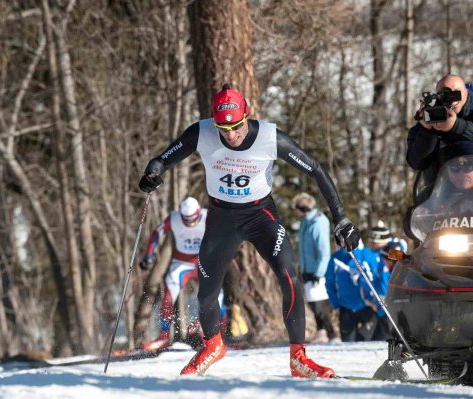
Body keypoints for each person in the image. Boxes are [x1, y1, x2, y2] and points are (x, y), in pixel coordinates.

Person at [138, 83, 360, 377]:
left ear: (246, 116)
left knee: (288, 275)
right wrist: (153, 173)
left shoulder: (269, 137)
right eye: (223, 129)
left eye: (236, 127)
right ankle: (213, 346)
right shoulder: (202, 132)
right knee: (207, 293)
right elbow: (162, 159)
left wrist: (341, 218)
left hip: (260, 215)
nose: (230, 135)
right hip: (221, 217)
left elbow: (315, 169)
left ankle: (298, 358)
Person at [139, 196, 225, 351]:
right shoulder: (174, 218)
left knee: (217, 295)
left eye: (193, 219)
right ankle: (163, 336)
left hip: (204, 263)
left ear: (198, 212)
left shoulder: (208, 216)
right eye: (186, 220)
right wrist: (148, 254)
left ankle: (221, 335)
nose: (190, 223)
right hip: (181, 264)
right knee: (168, 293)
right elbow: (156, 233)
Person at [407, 74, 473, 203]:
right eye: (445, 95)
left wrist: (456, 126)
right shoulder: (432, 114)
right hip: (442, 191)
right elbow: (417, 162)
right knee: (418, 208)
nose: (452, 101)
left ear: (466, 93)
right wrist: (427, 130)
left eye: (456, 94)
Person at [292, 193, 339, 344]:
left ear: (302, 208)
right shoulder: (305, 222)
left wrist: (318, 272)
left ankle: (331, 334)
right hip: (307, 269)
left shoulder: (318, 223)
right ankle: (322, 332)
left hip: (317, 271)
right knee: (313, 303)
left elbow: (323, 251)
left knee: (317, 304)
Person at [325, 242, 383, 342]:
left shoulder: (368, 255)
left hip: (367, 307)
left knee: (368, 342)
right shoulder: (336, 258)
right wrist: (335, 303)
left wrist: (361, 279)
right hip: (345, 307)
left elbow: (376, 280)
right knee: (348, 343)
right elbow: (329, 282)